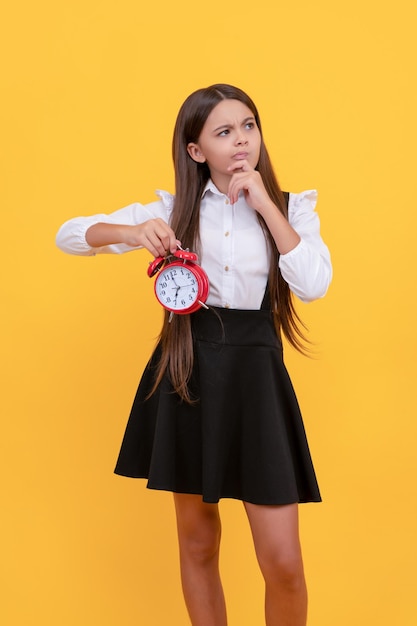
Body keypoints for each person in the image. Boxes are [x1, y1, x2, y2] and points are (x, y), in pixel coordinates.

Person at [56, 83, 332, 626]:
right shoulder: (172, 208)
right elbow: (69, 236)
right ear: (196, 150)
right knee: (199, 543)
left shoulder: (292, 207)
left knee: (284, 562)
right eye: (224, 132)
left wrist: (265, 205)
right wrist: (133, 232)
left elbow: (314, 282)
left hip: (256, 379)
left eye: (249, 126)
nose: (241, 142)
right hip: (188, 373)